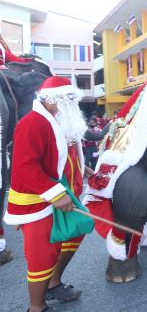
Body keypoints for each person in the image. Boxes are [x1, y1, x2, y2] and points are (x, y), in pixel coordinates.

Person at [3, 77, 89, 311]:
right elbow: (24, 167)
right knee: (43, 254)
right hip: (39, 199)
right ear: (51, 100)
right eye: (68, 99)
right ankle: (36, 306)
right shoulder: (33, 123)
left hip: (63, 195)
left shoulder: (61, 121)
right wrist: (54, 194)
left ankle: (53, 283)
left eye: (73, 98)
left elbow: (64, 156)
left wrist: (84, 168)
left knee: (75, 233)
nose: (72, 103)